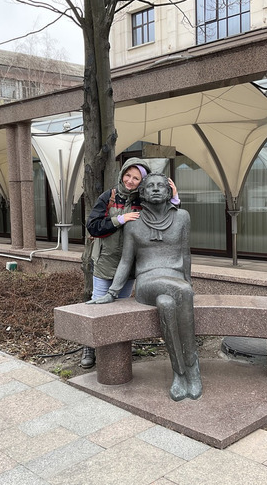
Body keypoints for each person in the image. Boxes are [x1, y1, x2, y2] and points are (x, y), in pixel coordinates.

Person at [89, 173, 200, 401]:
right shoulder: (133, 223)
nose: (156, 189)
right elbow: (126, 261)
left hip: (175, 280)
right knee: (182, 292)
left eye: (161, 186)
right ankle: (193, 367)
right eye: (150, 186)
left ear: (169, 192)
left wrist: (187, 281)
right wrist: (112, 292)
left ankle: (180, 373)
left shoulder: (183, 217)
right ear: (143, 193)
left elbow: (185, 254)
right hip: (147, 281)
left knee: (166, 303)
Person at [82, 158, 179, 369]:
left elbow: (165, 218)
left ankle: (118, 345)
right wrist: (120, 220)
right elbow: (93, 226)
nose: (130, 181)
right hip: (106, 261)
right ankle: (89, 347)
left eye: (136, 178)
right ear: (122, 174)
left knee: (121, 306)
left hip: (130, 265)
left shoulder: (144, 200)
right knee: (97, 303)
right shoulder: (109, 196)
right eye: (128, 175)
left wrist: (174, 198)